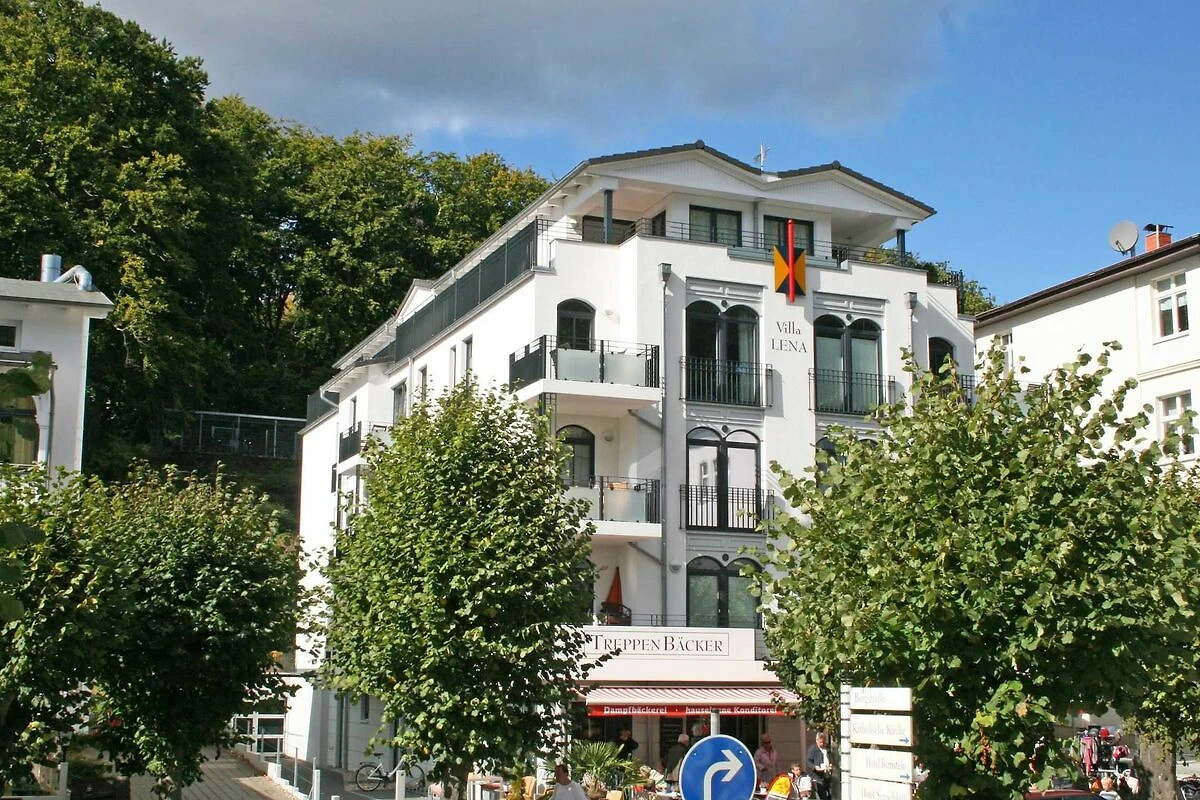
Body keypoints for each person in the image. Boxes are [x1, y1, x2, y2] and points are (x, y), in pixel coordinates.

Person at [805, 732, 834, 800]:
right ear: (817, 741)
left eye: (823, 742)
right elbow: (808, 761)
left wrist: (831, 764)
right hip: (817, 776)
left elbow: (831, 758)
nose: (822, 744)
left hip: (827, 774)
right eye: (821, 742)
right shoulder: (813, 749)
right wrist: (815, 767)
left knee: (830, 795)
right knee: (822, 795)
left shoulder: (827, 748)